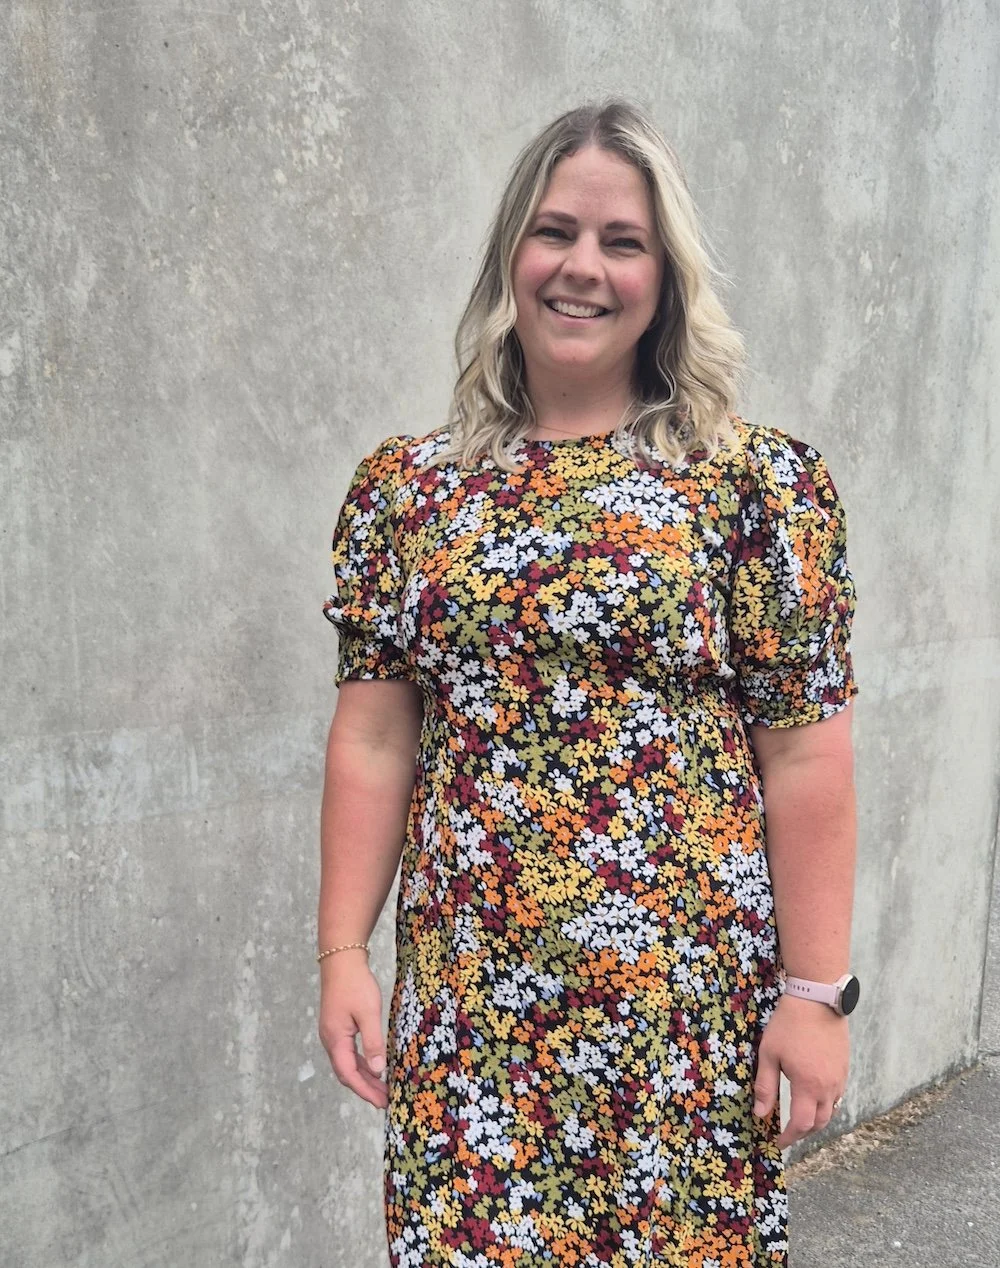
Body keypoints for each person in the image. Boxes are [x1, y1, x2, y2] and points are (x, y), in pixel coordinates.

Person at [317, 97, 859, 1268]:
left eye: (623, 242)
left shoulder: (751, 486)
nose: (582, 267)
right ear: (511, 253)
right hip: (473, 1011)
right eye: (556, 231)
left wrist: (816, 992)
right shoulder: (408, 492)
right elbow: (372, 739)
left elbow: (805, 751)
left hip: (683, 1017)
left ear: (665, 277)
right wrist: (343, 953)